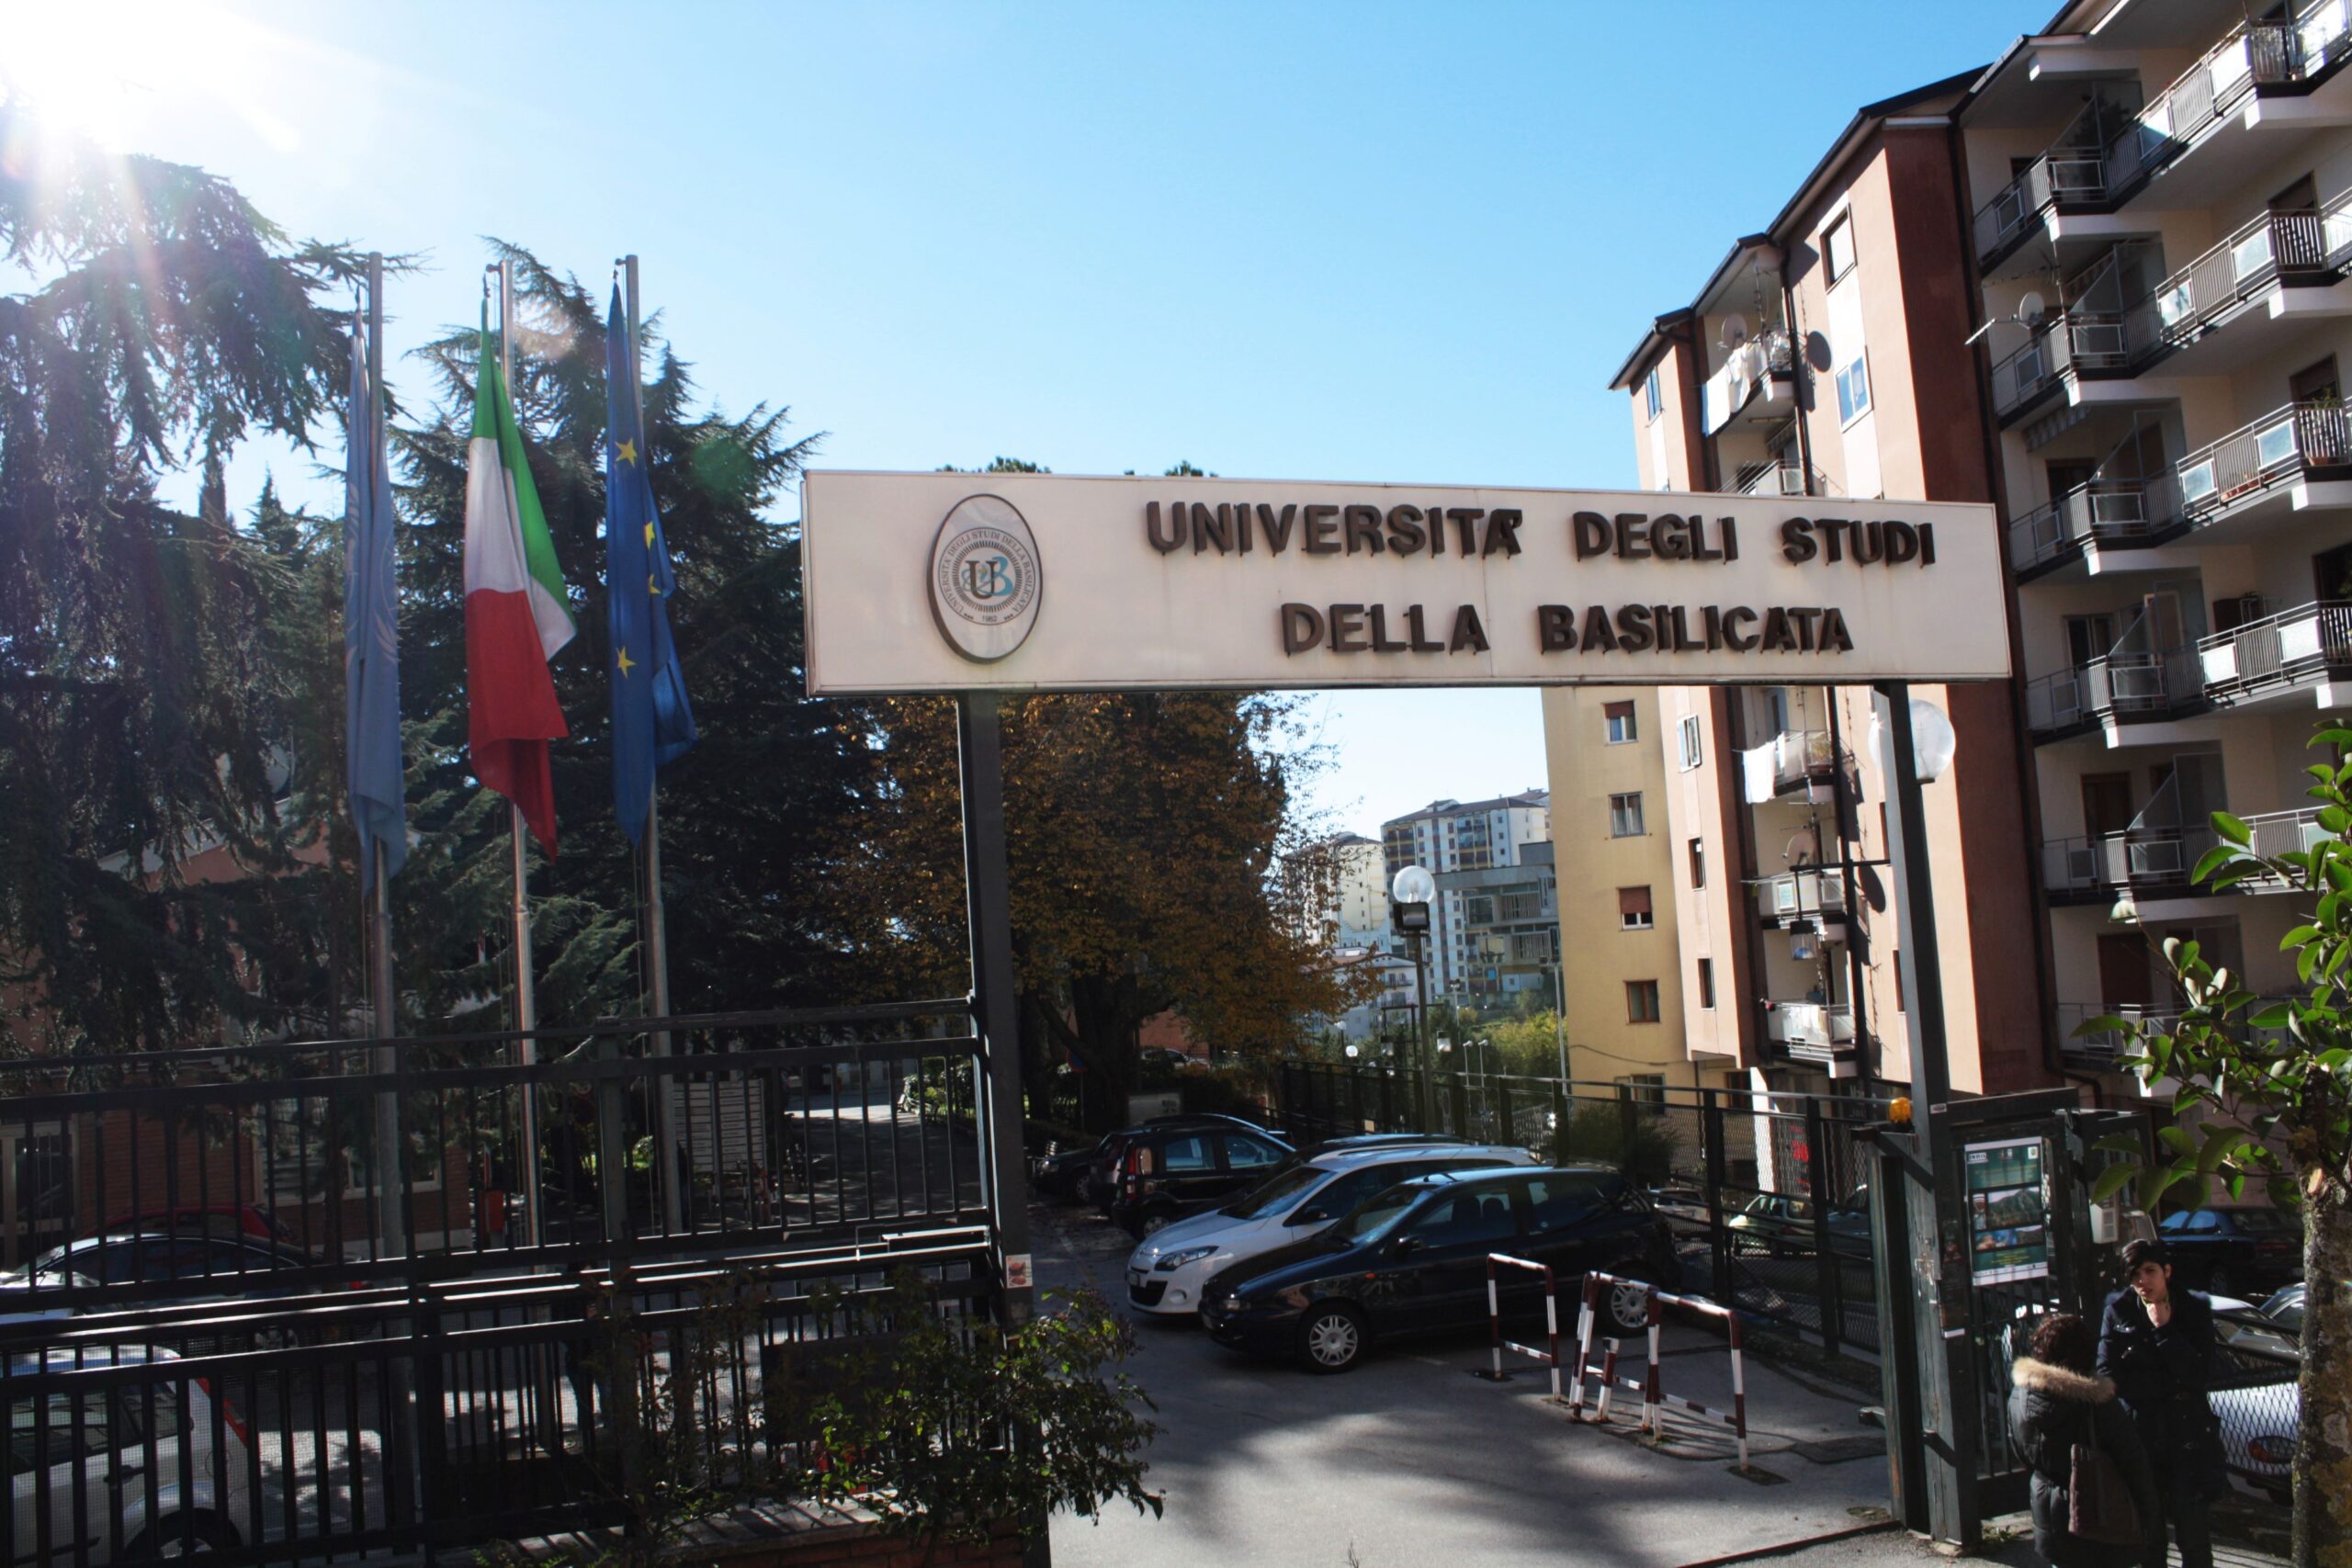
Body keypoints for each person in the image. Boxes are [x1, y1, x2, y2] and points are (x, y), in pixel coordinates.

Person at [2098, 1237, 2227, 1568]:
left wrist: (2165, 1332)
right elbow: (2108, 1375)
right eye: (2135, 1275)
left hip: (2187, 1436)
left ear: (2166, 1271)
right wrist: (2168, 1385)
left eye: (2150, 1271)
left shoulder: (2193, 1309)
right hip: (2142, 1435)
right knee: (2149, 1537)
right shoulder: (2119, 1311)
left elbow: (2201, 1374)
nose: (2143, 1281)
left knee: (2193, 1534)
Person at [2010, 1312, 2160, 1568]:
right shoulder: (2097, 1403)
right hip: (2099, 1515)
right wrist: (2150, 1521)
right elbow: (2134, 1463)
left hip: (2048, 1509)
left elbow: (2020, 1450)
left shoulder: (2020, 1396)